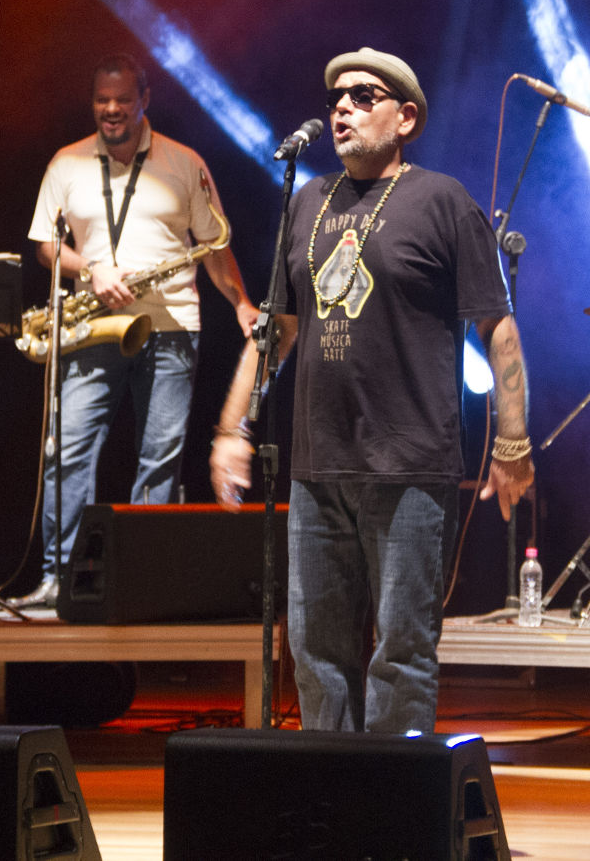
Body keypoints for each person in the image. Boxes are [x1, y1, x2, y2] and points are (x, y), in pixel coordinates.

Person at [209, 47, 532, 733]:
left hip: (409, 466)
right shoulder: (307, 201)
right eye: (335, 99)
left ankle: (396, 792)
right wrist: (233, 429)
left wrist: (512, 441)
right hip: (318, 465)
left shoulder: (442, 200)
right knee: (314, 652)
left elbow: (498, 326)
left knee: (401, 652)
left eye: (363, 96)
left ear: (405, 117)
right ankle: (332, 790)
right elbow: (276, 330)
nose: (342, 109)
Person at [23, 53, 258, 606]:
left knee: (160, 457)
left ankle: (141, 580)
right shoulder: (66, 163)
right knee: (68, 451)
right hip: (93, 327)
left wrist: (241, 302)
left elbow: (215, 246)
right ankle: (61, 578)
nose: (111, 110)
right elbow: (45, 247)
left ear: (144, 100)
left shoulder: (184, 163)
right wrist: (93, 269)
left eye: (122, 100)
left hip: (171, 326)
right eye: (102, 100)